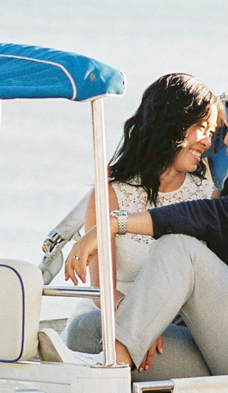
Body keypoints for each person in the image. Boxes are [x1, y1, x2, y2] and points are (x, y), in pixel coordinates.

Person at [64, 70, 228, 381]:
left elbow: (220, 214)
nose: (227, 141)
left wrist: (117, 223)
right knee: (86, 331)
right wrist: (147, 322)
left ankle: (114, 371)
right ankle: (128, 379)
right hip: (223, 345)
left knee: (179, 246)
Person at [58, 73, 219, 367]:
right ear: (173, 123)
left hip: (175, 327)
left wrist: (153, 323)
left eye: (212, 131)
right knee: (91, 327)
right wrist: (139, 322)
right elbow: (100, 289)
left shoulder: (209, 198)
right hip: (112, 314)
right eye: (201, 127)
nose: (208, 141)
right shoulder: (110, 193)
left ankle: (78, 368)